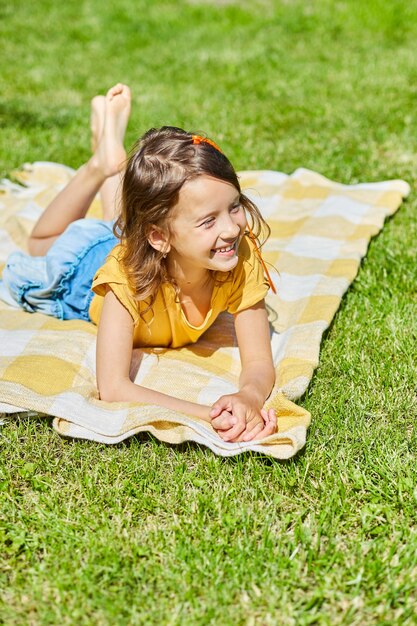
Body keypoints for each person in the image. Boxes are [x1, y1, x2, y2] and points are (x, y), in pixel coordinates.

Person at [1, 84, 277, 443]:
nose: (231, 228)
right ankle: (98, 166)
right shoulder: (125, 280)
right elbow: (113, 387)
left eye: (234, 206)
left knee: (124, 224)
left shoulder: (237, 260)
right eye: (208, 221)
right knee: (40, 245)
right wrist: (208, 415)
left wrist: (248, 397)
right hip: (83, 268)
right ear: (159, 236)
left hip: (144, 242)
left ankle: (110, 155)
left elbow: (258, 362)